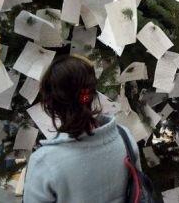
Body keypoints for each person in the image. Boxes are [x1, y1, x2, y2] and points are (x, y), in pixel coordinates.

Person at [24, 55, 141, 203]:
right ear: (92, 94)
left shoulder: (44, 162)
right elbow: (138, 192)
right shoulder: (124, 137)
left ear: (50, 103)